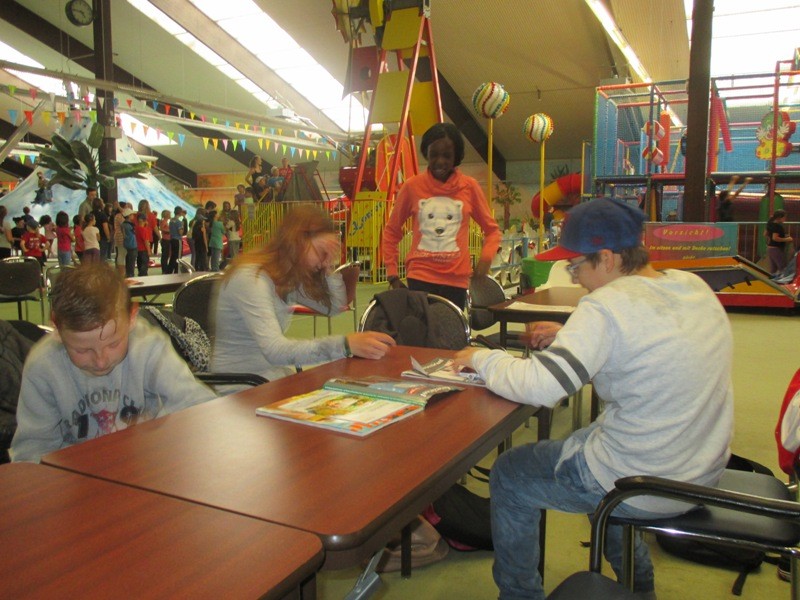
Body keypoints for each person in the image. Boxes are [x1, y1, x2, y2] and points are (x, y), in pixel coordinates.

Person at [453, 197, 734, 600]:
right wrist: (571, 334)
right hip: (700, 469)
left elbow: (540, 386)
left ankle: (519, 595)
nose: (575, 278)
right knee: (586, 444)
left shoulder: (605, 307)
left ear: (606, 259)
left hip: (645, 481)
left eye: (575, 266)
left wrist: (481, 358)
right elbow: (645, 341)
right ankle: (639, 585)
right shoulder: (691, 286)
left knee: (510, 473)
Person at [9, 263, 216, 463]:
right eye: (82, 350)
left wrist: (155, 432)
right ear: (56, 328)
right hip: (74, 475)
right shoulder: (43, 366)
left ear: (132, 317)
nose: (101, 361)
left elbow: (199, 405)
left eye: (113, 344)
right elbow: (31, 453)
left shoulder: (148, 346)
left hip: (144, 465)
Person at [211, 204, 395, 387]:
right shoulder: (251, 279)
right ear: (298, 241)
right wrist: (345, 345)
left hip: (267, 379)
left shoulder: (287, 276)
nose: (323, 261)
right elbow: (275, 351)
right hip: (239, 386)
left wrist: (328, 266)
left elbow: (334, 306)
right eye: (321, 252)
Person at [382, 122, 501, 309]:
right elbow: (391, 232)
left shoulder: (469, 187)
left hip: (456, 281)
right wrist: (392, 275)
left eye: (447, 156)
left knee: (450, 327)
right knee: (420, 328)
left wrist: (485, 260)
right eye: (434, 154)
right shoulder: (412, 187)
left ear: (456, 156)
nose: (439, 161)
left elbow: (492, 231)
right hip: (420, 278)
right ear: (426, 153)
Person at [766, 209, 793, 274]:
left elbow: (765, 234)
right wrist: (787, 239)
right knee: (783, 267)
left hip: (770, 248)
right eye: (784, 217)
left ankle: (771, 279)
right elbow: (775, 238)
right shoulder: (778, 226)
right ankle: (784, 279)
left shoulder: (770, 224)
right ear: (780, 217)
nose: (785, 219)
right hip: (776, 249)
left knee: (773, 269)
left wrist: (783, 235)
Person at [168, 207, 184, 274]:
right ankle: (177, 271)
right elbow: (180, 232)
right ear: (180, 212)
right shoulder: (179, 222)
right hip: (177, 240)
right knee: (178, 257)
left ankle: (169, 271)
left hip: (172, 239)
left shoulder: (171, 221)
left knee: (173, 256)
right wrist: (183, 227)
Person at [135, 212, 151, 276]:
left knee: (139, 264)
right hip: (143, 250)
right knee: (144, 266)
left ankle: (140, 275)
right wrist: (149, 251)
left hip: (138, 249)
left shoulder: (136, 228)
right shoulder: (143, 230)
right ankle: (143, 276)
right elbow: (146, 241)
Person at [159, 209, 172, 274]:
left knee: (166, 255)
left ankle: (165, 268)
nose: (170, 215)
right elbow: (161, 229)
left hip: (167, 240)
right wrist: (169, 231)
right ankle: (164, 269)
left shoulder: (165, 221)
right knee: (165, 255)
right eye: (169, 214)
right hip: (165, 240)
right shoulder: (163, 221)